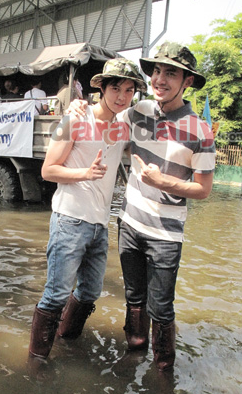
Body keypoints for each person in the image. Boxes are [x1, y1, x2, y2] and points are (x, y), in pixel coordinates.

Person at [67, 42, 216, 371]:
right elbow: (105, 111)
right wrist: (81, 106)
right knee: (134, 298)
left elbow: (203, 190)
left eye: (171, 73)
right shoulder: (139, 112)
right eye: (157, 71)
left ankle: (162, 371)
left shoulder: (201, 131)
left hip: (166, 235)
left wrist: (164, 182)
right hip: (129, 226)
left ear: (187, 81)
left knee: (161, 308)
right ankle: (134, 355)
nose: (160, 79)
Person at [28, 58, 147, 362]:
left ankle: (66, 339)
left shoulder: (122, 127)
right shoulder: (74, 120)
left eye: (129, 90)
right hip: (69, 220)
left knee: (90, 292)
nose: (122, 96)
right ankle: (36, 361)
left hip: (99, 225)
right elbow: (48, 170)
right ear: (102, 88)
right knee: (55, 294)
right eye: (116, 88)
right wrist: (84, 173)